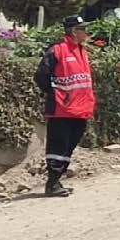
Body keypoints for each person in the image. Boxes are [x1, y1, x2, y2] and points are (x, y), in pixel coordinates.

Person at [34, 15, 96, 198]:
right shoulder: (57, 50)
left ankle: (57, 181)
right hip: (61, 109)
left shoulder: (82, 51)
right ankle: (52, 184)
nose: (87, 32)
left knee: (70, 145)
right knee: (58, 146)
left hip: (80, 110)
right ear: (74, 31)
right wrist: (54, 93)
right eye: (83, 29)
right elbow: (41, 75)